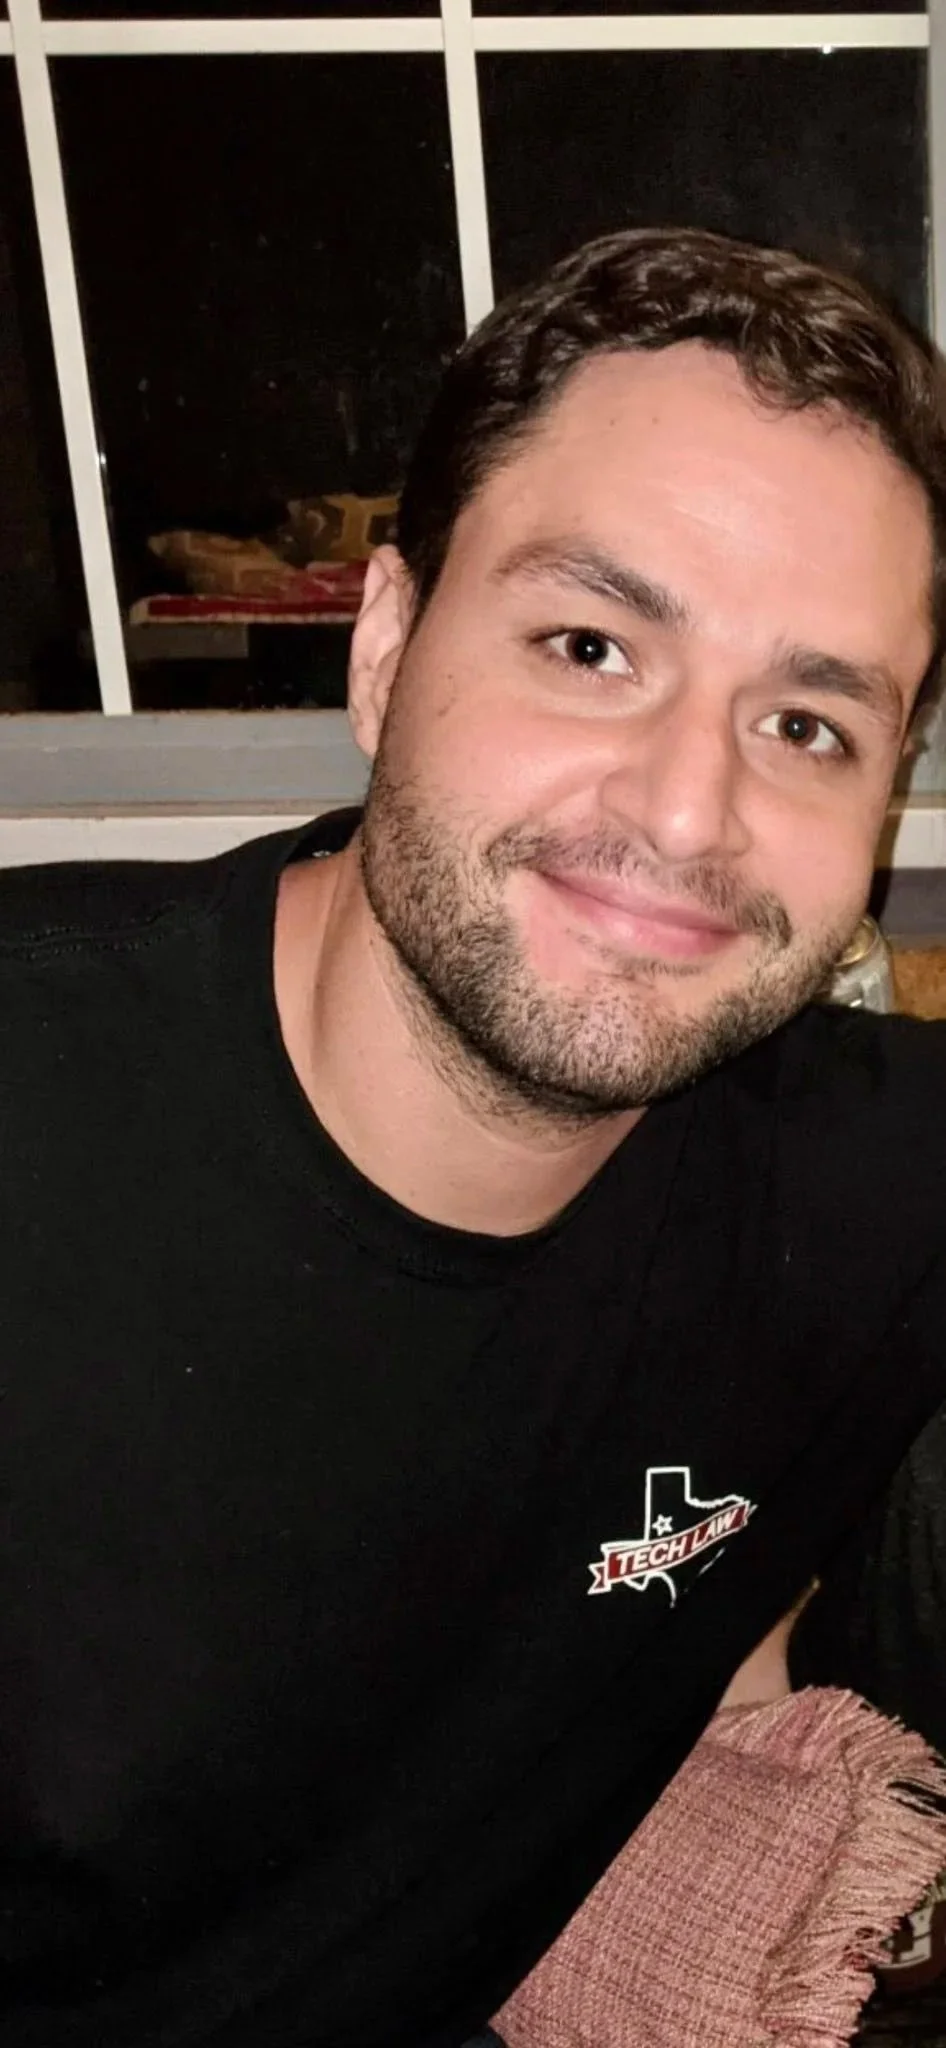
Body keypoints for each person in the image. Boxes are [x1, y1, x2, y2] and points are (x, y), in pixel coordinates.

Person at [3, 224, 946, 2048]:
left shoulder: (846, 1187)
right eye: (590, 646)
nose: (689, 810)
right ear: (383, 647)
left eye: (805, 722)